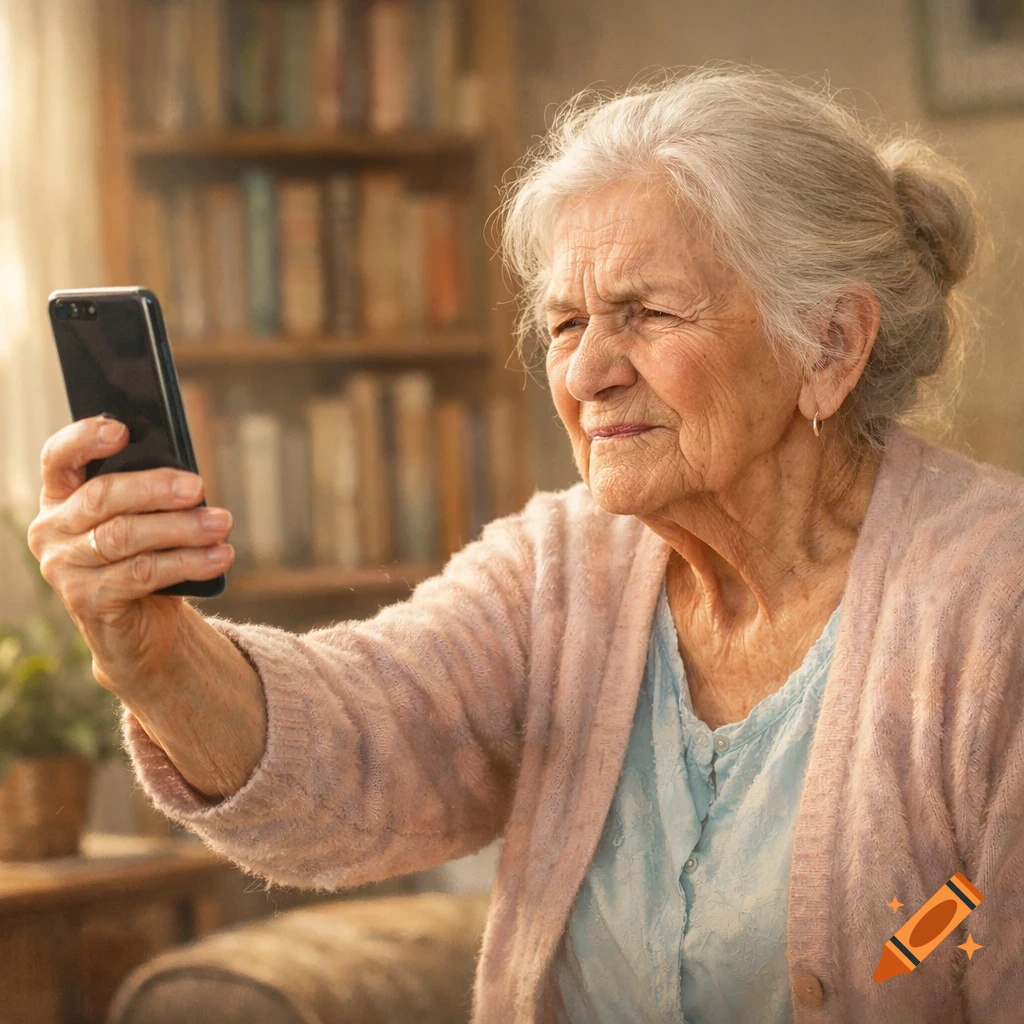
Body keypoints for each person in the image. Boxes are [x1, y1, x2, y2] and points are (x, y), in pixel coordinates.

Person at [28, 67, 1024, 1023]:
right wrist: (157, 660)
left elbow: (978, 950)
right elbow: (352, 749)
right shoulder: (562, 568)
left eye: (643, 312)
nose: (586, 370)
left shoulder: (995, 606)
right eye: (563, 323)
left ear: (830, 343)